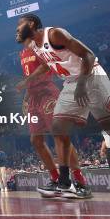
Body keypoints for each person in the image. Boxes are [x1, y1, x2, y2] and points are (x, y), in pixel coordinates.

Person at [15, 13, 110, 198]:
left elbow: (88, 55)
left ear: (31, 23)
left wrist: (83, 84)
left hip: (91, 76)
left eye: (18, 26)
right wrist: (28, 83)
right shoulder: (35, 46)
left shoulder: (54, 34)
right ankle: (66, 182)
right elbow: (47, 64)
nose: (16, 31)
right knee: (58, 127)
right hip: (71, 81)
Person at [17, 44, 90, 198]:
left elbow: (45, 67)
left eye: (19, 28)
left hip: (47, 93)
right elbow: (29, 80)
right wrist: (26, 99)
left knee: (60, 136)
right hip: (33, 97)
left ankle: (79, 181)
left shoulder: (40, 46)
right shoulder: (22, 53)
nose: (17, 32)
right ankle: (56, 179)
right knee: (36, 140)